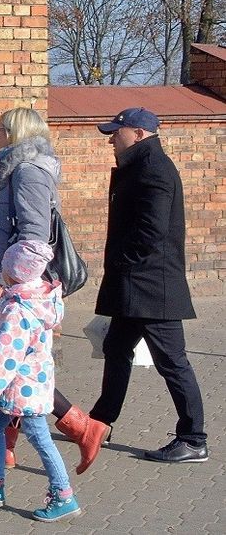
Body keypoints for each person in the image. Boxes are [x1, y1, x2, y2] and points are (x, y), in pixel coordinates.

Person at [0, 107, 107, 474]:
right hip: (7, 279)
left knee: (17, 363)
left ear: (13, 133)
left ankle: (83, 427)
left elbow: (35, 237)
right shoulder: (8, 169)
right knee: (10, 362)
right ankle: (3, 448)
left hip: (18, 287)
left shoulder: (28, 172)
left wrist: (11, 278)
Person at [88, 108, 207, 463]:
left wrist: (123, 262)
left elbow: (150, 233)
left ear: (139, 133)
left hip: (152, 287)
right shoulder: (141, 166)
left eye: (116, 133)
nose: (111, 139)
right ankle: (99, 423)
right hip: (136, 285)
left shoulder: (154, 170)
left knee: (172, 361)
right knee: (116, 348)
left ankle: (194, 438)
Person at [0, 240, 81, 523]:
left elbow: (5, 358)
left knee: (39, 437)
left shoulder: (16, 312)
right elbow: (20, 319)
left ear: (14, 272)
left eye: (4, 267)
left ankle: (63, 494)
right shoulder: (33, 299)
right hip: (30, 382)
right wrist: (5, 298)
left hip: (21, 387)